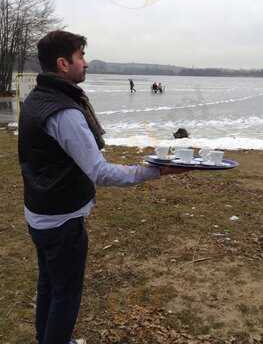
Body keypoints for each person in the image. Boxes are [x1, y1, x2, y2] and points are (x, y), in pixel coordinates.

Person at [18, 30, 189, 344]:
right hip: (60, 221)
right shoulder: (64, 111)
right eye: (80, 56)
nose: (85, 63)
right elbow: (100, 172)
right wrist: (156, 172)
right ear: (62, 63)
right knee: (65, 295)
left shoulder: (36, 98)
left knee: (49, 286)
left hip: (39, 212)